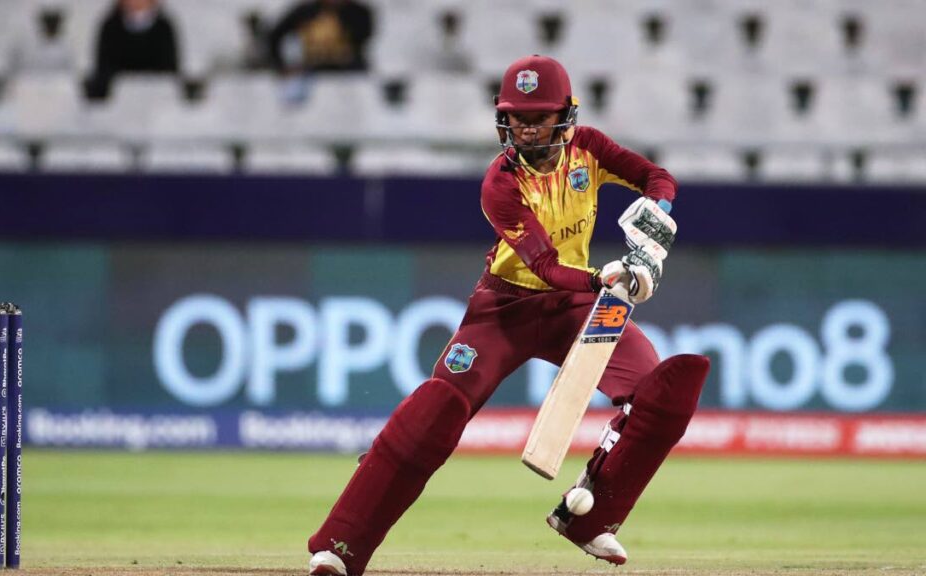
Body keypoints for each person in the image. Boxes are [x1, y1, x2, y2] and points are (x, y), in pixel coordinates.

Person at [306, 55, 710, 576]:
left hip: (577, 310)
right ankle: (339, 547)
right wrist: (604, 279)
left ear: (565, 114)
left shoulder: (590, 148)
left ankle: (590, 518)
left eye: (538, 115)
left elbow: (657, 177)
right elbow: (543, 265)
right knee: (436, 410)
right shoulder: (500, 183)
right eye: (515, 115)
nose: (524, 126)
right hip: (503, 309)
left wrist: (655, 228)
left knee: (661, 392)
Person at [85, 0, 179, 100]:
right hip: (116, 103)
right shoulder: (110, 26)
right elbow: (103, 71)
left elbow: (169, 73)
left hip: (155, 101)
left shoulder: (164, 28)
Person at [267, 0, 373, 73]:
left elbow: (363, 39)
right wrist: (281, 65)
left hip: (347, 72)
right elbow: (274, 36)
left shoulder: (358, 13)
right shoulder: (305, 11)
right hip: (311, 70)